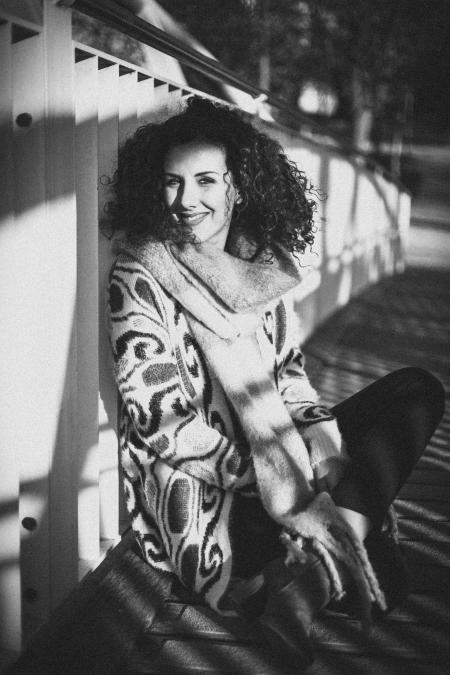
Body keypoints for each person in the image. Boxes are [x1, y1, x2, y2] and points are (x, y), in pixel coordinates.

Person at [106, 96, 444, 666]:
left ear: (237, 186)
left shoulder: (260, 269)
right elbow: (167, 429)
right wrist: (282, 485)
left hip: (279, 465)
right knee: (384, 580)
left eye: (206, 181)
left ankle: (303, 578)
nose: (188, 201)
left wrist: (324, 450)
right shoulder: (139, 274)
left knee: (419, 389)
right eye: (172, 183)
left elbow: (291, 382)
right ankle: (308, 564)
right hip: (210, 495)